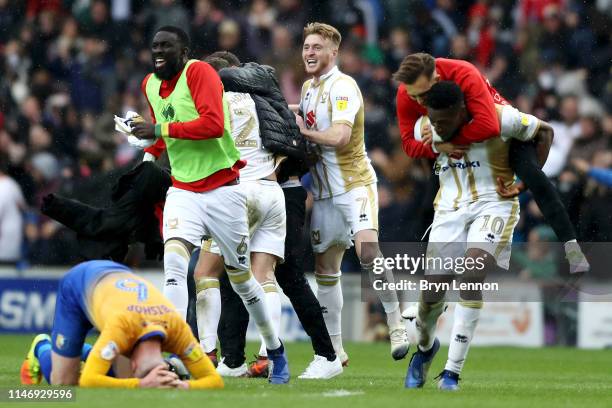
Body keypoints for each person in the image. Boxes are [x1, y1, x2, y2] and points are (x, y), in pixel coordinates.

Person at [132, 25, 288, 384]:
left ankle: (275, 350)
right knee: (174, 261)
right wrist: (144, 161)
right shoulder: (149, 85)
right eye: (155, 45)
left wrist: (158, 132)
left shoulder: (200, 72)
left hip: (223, 189)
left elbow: (212, 124)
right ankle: (173, 352)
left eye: (167, 46)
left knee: (243, 280)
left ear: (183, 51)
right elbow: (164, 131)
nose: (159, 51)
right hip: (183, 190)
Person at [185, 53, 343, 380]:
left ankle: (206, 353)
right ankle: (268, 357)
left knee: (205, 272)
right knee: (263, 276)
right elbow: (290, 140)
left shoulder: (213, 107)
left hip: (240, 193)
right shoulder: (266, 99)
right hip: (274, 192)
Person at [405, 81, 553, 391]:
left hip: (494, 202)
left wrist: (526, 182)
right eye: (434, 120)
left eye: (444, 121)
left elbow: (545, 132)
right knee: (432, 292)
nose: (438, 126)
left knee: (472, 274)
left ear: (461, 110)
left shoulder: (502, 117)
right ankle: (425, 348)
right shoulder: (425, 124)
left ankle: (451, 373)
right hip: (449, 208)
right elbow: (420, 153)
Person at [394, 52, 589, 274]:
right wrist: (437, 147)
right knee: (429, 197)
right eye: (414, 97)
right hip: (449, 133)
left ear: (437, 80)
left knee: (534, 176)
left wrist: (445, 141)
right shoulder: (407, 93)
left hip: (496, 134)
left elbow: (490, 126)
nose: (418, 102)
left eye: (423, 95)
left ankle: (572, 248)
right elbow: (409, 146)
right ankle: (425, 276)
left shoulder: (466, 75)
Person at [291, 22, 409, 364]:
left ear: (333, 52)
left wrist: (304, 132)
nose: (310, 53)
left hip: (354, 184)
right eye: (306, 47)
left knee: (368, 250)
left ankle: (396, 323)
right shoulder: (308, 88)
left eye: (317, 47)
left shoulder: (344, 87)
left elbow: (340, 136)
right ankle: (336, 349)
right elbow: (306, 116)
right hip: (325, 192)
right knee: (326, 267)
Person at [20, 260, 223, 389]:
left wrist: (182, 385)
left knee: (119, 379)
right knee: (64, 381)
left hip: (118, 277)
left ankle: (79, 351)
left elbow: (215, 381)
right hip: (78, 284)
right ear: (134, 364)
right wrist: (141, 384)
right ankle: (42, 346)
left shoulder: (177, 329)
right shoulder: (122, 327)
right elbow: (89, 380)